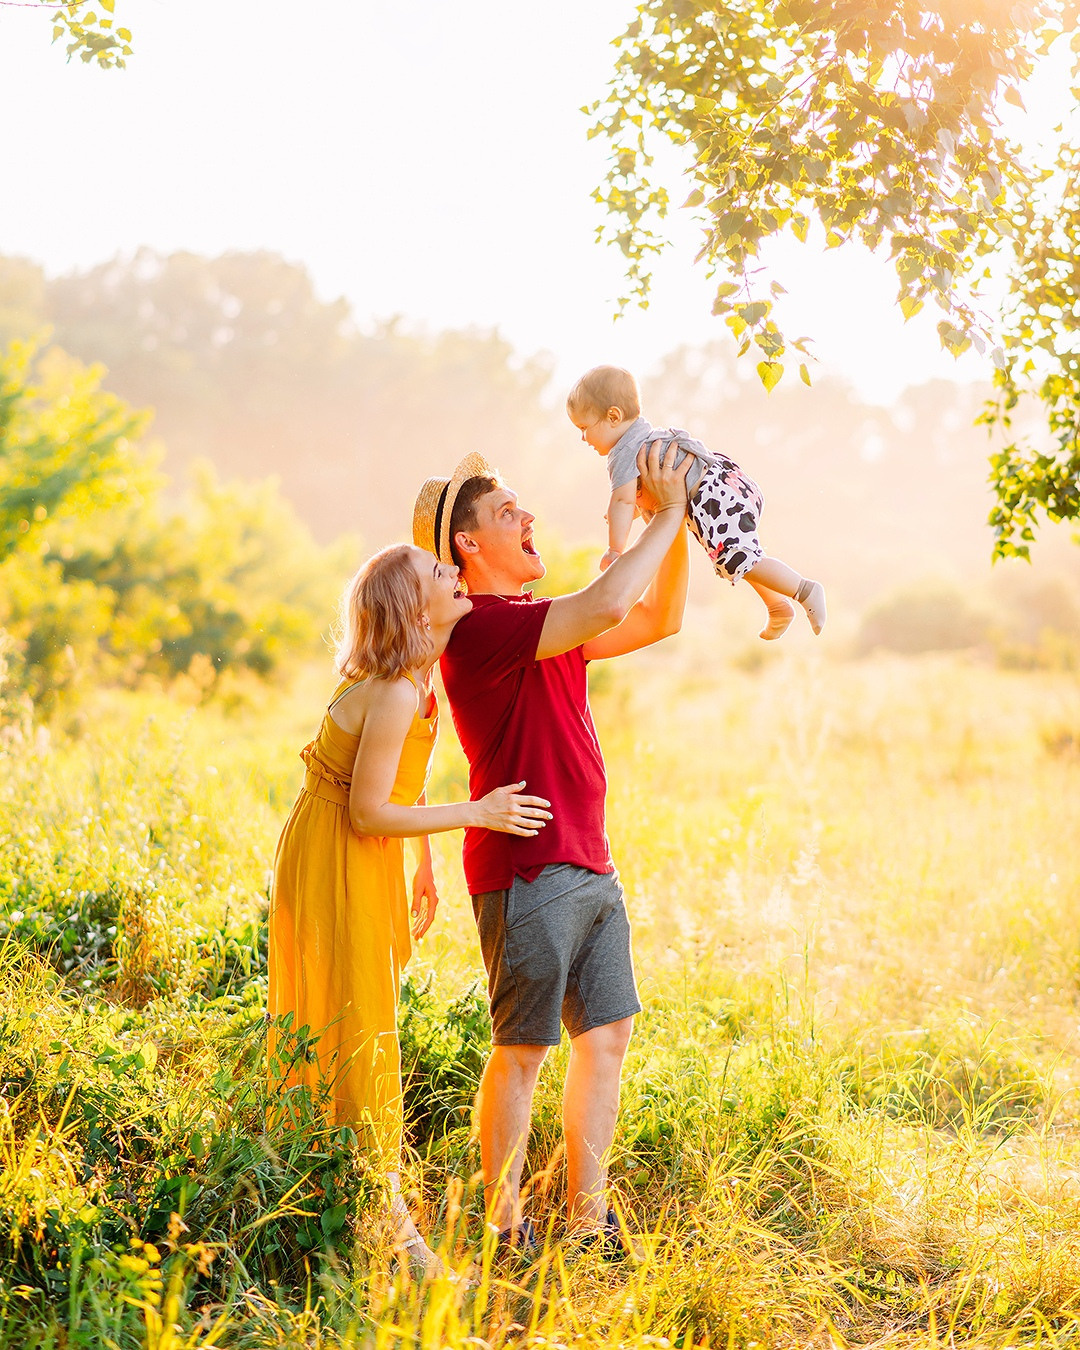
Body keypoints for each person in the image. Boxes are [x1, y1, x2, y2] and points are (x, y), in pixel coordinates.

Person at [412, 441, 691, 1257]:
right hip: (527, 867)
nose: (529, 517)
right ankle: (503, 1227)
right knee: (524, 1049)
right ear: (468, 544)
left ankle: (586, 1222)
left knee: (606, 1037)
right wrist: (670, 511)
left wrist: (667, 525)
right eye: (509, 513)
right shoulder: (481, 628)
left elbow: (659, 617)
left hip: (590, 859)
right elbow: (608, 603)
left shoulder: (540, 626)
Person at [267, 543, 552, 1274]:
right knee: (357, 1021)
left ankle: (331, 1185)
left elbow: (400, 779)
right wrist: (477, 812)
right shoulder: (395, 690)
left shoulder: (420, 680)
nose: (454, 575)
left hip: (360, 851)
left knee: (363, 1013)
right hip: (336, 852)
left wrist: (422, 860)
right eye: (437, 574)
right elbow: (368, 811)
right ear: (413, 609)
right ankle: (391, 1228)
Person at [567, 364, 826, 641]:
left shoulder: (622, 452)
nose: (583, 438)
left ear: (613, 416)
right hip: (725, 482)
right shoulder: (644, 435)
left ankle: (805, 590)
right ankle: (777, 605)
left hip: (712, 497)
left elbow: (622, 499)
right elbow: (635, 497)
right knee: (739, 555)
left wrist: (614, 550)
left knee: (733, 558)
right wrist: (631, 512)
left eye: (584, 428)